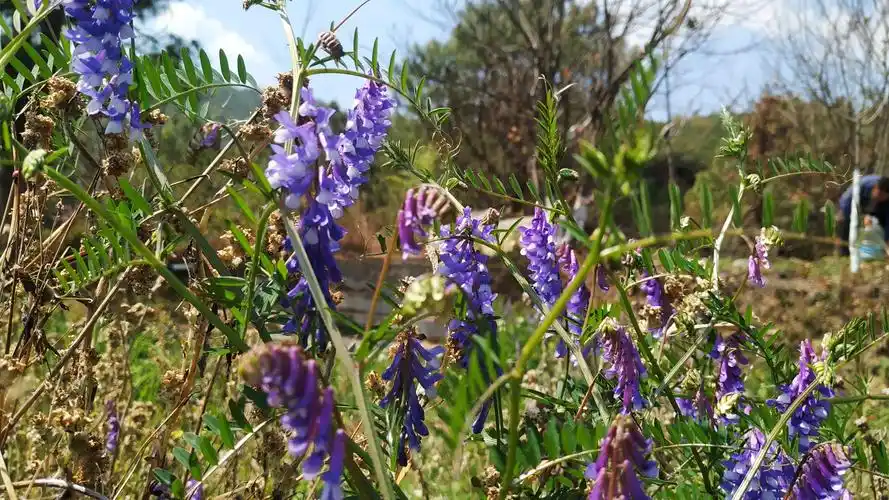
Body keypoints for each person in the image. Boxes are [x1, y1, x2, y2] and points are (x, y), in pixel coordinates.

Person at [837, 175, 889, 255]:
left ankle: (881, 250)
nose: (879, 197)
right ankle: (844, 252)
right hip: (856, 204)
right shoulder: (861, 185)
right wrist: (844, 217)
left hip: (880, 208)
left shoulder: (885, 202)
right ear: (875, 187)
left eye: (882, 196)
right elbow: (845, 203)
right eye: (878, 194)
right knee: (845, 221)